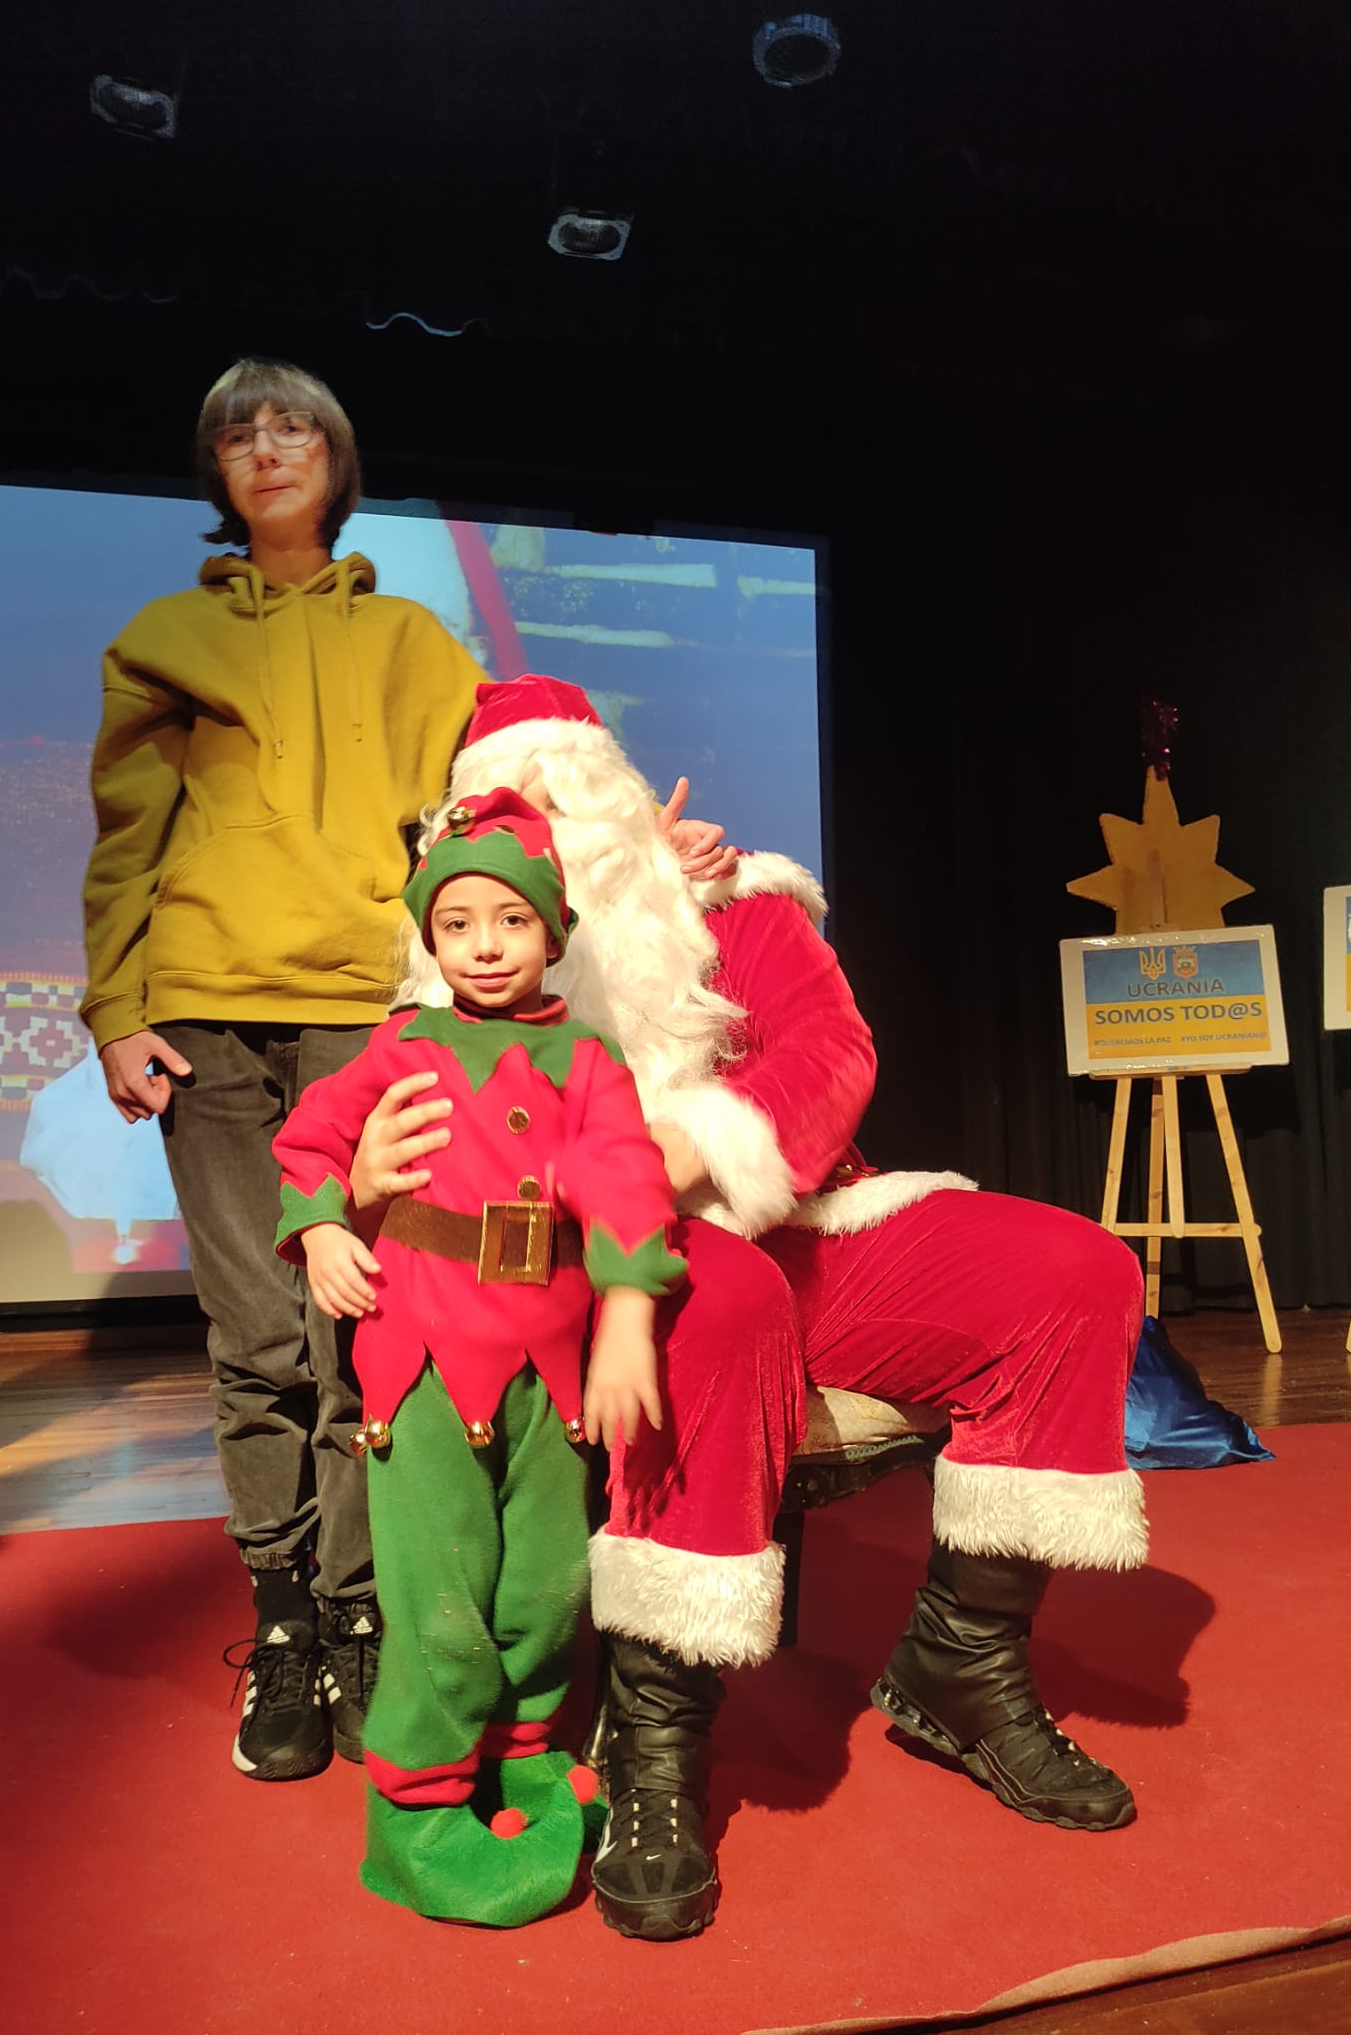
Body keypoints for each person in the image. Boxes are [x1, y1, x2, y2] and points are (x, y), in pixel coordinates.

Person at [353, 674, 1148, 1943]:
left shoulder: (732, 900)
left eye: (575, 790)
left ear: (617, 797)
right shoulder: (460, 973)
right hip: (611, 1267)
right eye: (522, 801)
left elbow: (832, 1052)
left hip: (804, 1217)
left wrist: (694, 1145)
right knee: (715, 1306)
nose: (557, 820)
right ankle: (655, 1743)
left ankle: (963, 1663)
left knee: (1077, 1273)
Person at [80, 358, 487, 1781]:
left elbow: (487, 810)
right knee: (256, 1341)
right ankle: (285, 1624)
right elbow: (126, 837)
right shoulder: (166, 636)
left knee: (356, 1334)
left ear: (337, 458)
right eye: (239, 431)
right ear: (216, 469)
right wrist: (115, 1011)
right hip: (203, 1017)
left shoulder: (419, 643)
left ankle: (362, 1610)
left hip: (360, 1019)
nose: (267, 446)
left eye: (294, 424)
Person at [272, 787, 684, 1926]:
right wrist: (318, 1225)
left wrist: (627, 1319)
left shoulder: (585, 1056)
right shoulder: (404, 1040)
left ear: (554, 930)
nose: (484, 943)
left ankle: (522, 1750)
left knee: (546, 1585)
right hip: (419, 1365)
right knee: (440, 1596)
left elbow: (624, 1181)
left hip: (548, 1375)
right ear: (429, 936)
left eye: (509, 918)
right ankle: (417, 1804)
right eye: (456, 922)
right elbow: (309, 1136)